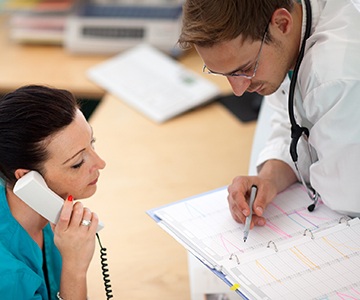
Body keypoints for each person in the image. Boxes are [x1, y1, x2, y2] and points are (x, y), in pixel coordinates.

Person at [178, 0, 360, 227]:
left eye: (245, 69)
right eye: (223, 74)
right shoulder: (285, 41)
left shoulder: (337, 75)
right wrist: (268, 179)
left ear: (282, 23)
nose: (238, 90)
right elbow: (296, 125)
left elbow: (347, 196)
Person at [0, 85, 106, 299]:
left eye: (91, 143)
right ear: (27, 178)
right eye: (77, 163)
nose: (101, 163)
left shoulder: (50, 212)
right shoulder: (8, 279)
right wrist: (75, 269)